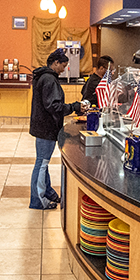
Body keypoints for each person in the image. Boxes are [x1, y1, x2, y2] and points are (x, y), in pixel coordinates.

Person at [29, 50, 89, 209]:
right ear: (55, 62)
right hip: (46, 127)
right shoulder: (49, 79)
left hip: (43, 126)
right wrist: (74, 107)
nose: (64, 69)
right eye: (63, 65)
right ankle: (38, 200)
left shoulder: (45, 76)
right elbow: (53, 106)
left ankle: (47, 192)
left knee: (43, 162)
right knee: (41, 163)